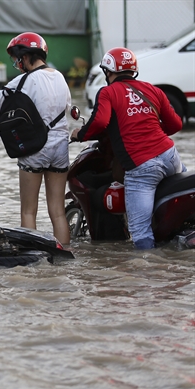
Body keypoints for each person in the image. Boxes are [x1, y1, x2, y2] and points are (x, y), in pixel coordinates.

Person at [0, 32, 71, 245]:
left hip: (35, 150)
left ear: (26, 57)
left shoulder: (22, 81)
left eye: (18, 59)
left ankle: (32, 258)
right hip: (61, 148)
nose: (17, 63)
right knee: (58, 212)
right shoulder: (61, 77)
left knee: (28, 211)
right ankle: (64, 256)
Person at [70, 47, 185, 250]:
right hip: (170, 157)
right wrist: (151, 132)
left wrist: (79, 134)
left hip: (142, 167)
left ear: (108, 71)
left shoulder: (108, 92)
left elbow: (99, 122)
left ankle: (146, 276)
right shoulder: (153, 89)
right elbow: (175, 124)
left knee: (140, 233)